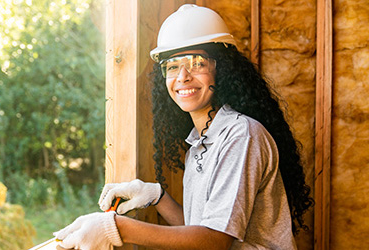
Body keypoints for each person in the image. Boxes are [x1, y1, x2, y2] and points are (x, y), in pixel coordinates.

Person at [54, 4, 313, 250]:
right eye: (173, 66)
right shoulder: (200, 143)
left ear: (221, 69)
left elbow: (214, 241)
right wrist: (157, 196)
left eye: (196, 62)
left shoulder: (241, 135)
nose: (182, 77)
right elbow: (198, 231)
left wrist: (114, 227)